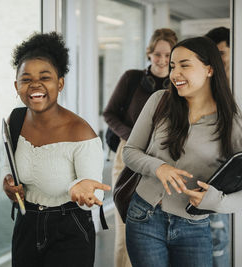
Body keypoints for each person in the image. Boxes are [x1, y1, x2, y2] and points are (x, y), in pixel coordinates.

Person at [122, 36, 242, 266]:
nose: (175, 74)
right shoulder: (159, 101)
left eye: (184, 65)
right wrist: (159, 168)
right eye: (173, 66)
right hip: (144, 216)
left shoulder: (231, 122)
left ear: (209, 69)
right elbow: (131, 151)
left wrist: (217, 201)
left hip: (194, 227)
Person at [2, 32, 111, 267]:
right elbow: (9, 165)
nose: (35, 85)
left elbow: (96, 194)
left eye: (45, 77)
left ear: (60, 83)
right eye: (26, 79)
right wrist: (9, 185)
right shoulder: (16, 119)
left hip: (69, 228)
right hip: (26, 224)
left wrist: (80, 189)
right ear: (16, 85)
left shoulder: (81, 132)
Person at [103, 28, 177, 267]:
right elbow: (110, 113)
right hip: (129, 153)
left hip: (164, 159)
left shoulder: (179, 84)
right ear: (149, 53)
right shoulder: (132, 79)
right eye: (158, 54)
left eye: (168, 55)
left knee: (161, 223)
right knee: (126, 225)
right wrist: (131, 136)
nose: (163, 60)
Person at [205, 26, 231, 267]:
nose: (218, 59)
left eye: (221, 53)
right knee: (215, 236)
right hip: (210, 171)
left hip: (232, 169)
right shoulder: (207, 84)